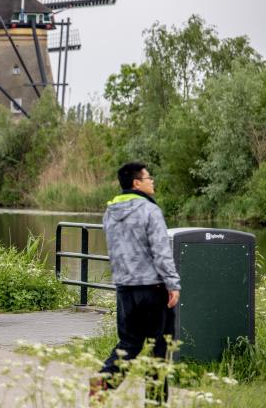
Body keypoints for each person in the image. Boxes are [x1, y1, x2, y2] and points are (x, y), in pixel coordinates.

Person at [93, 162, 181, 401]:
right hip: (153, 288)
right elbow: (161, 251)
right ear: (136, 183)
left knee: (130, 342)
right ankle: (155, 402)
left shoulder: (110, 212)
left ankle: (103, 381)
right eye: (148, 178)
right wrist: (172, 284)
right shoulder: (150, 211)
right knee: (159, 346)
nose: (152, 181)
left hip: (124, 289)